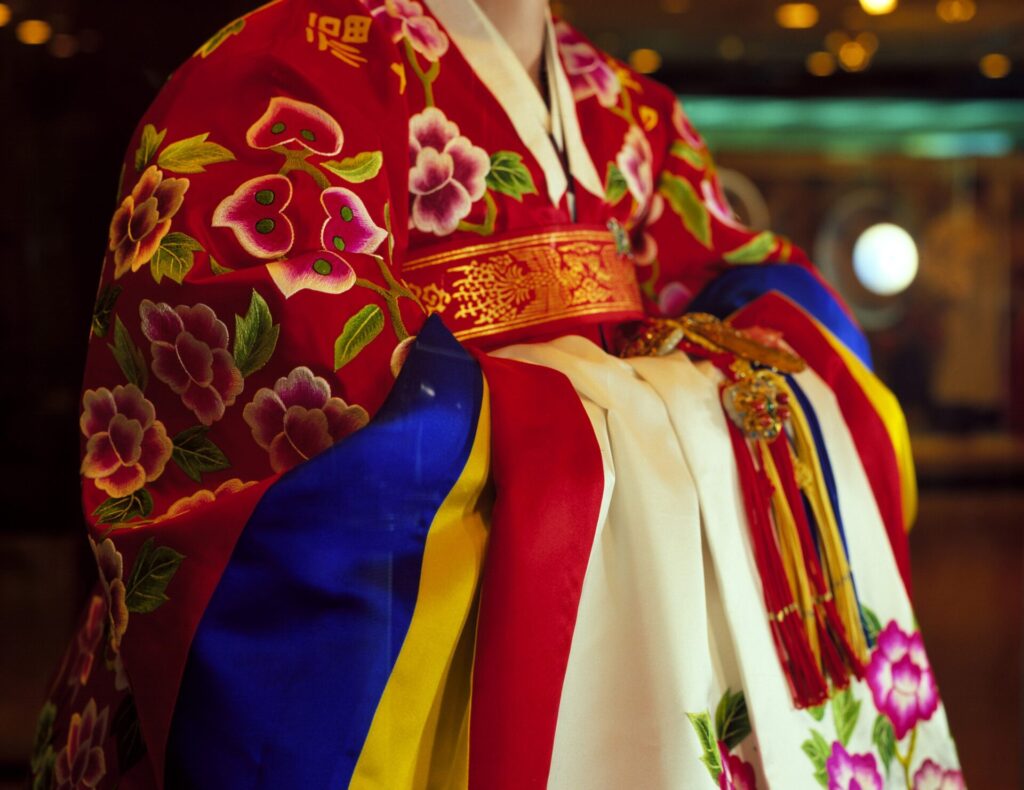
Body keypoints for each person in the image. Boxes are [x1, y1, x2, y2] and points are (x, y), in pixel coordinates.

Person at [30, 0, 963, 787]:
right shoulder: (275, 81)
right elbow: (301, 439)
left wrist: (628, 405)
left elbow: (780, 318)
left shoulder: (629, 115)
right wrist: (645, 406)